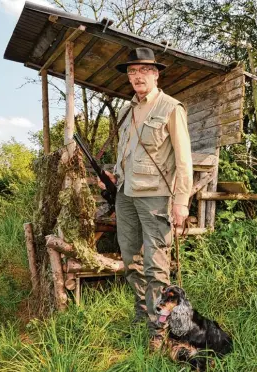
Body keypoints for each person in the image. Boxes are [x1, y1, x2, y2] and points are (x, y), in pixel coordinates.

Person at [99, 47, 193, 350]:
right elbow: (127, 152)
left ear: (155, 74)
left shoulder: (170, 107)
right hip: (125, 195)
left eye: (143, 70)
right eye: (132, 72)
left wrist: (181, 201)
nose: (137, 76)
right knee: (131, 260)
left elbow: (184, 159)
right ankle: (143, 315)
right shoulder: (129, 109)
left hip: (156, 196)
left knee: (156, 265)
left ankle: (160, 329)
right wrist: (116, 174)